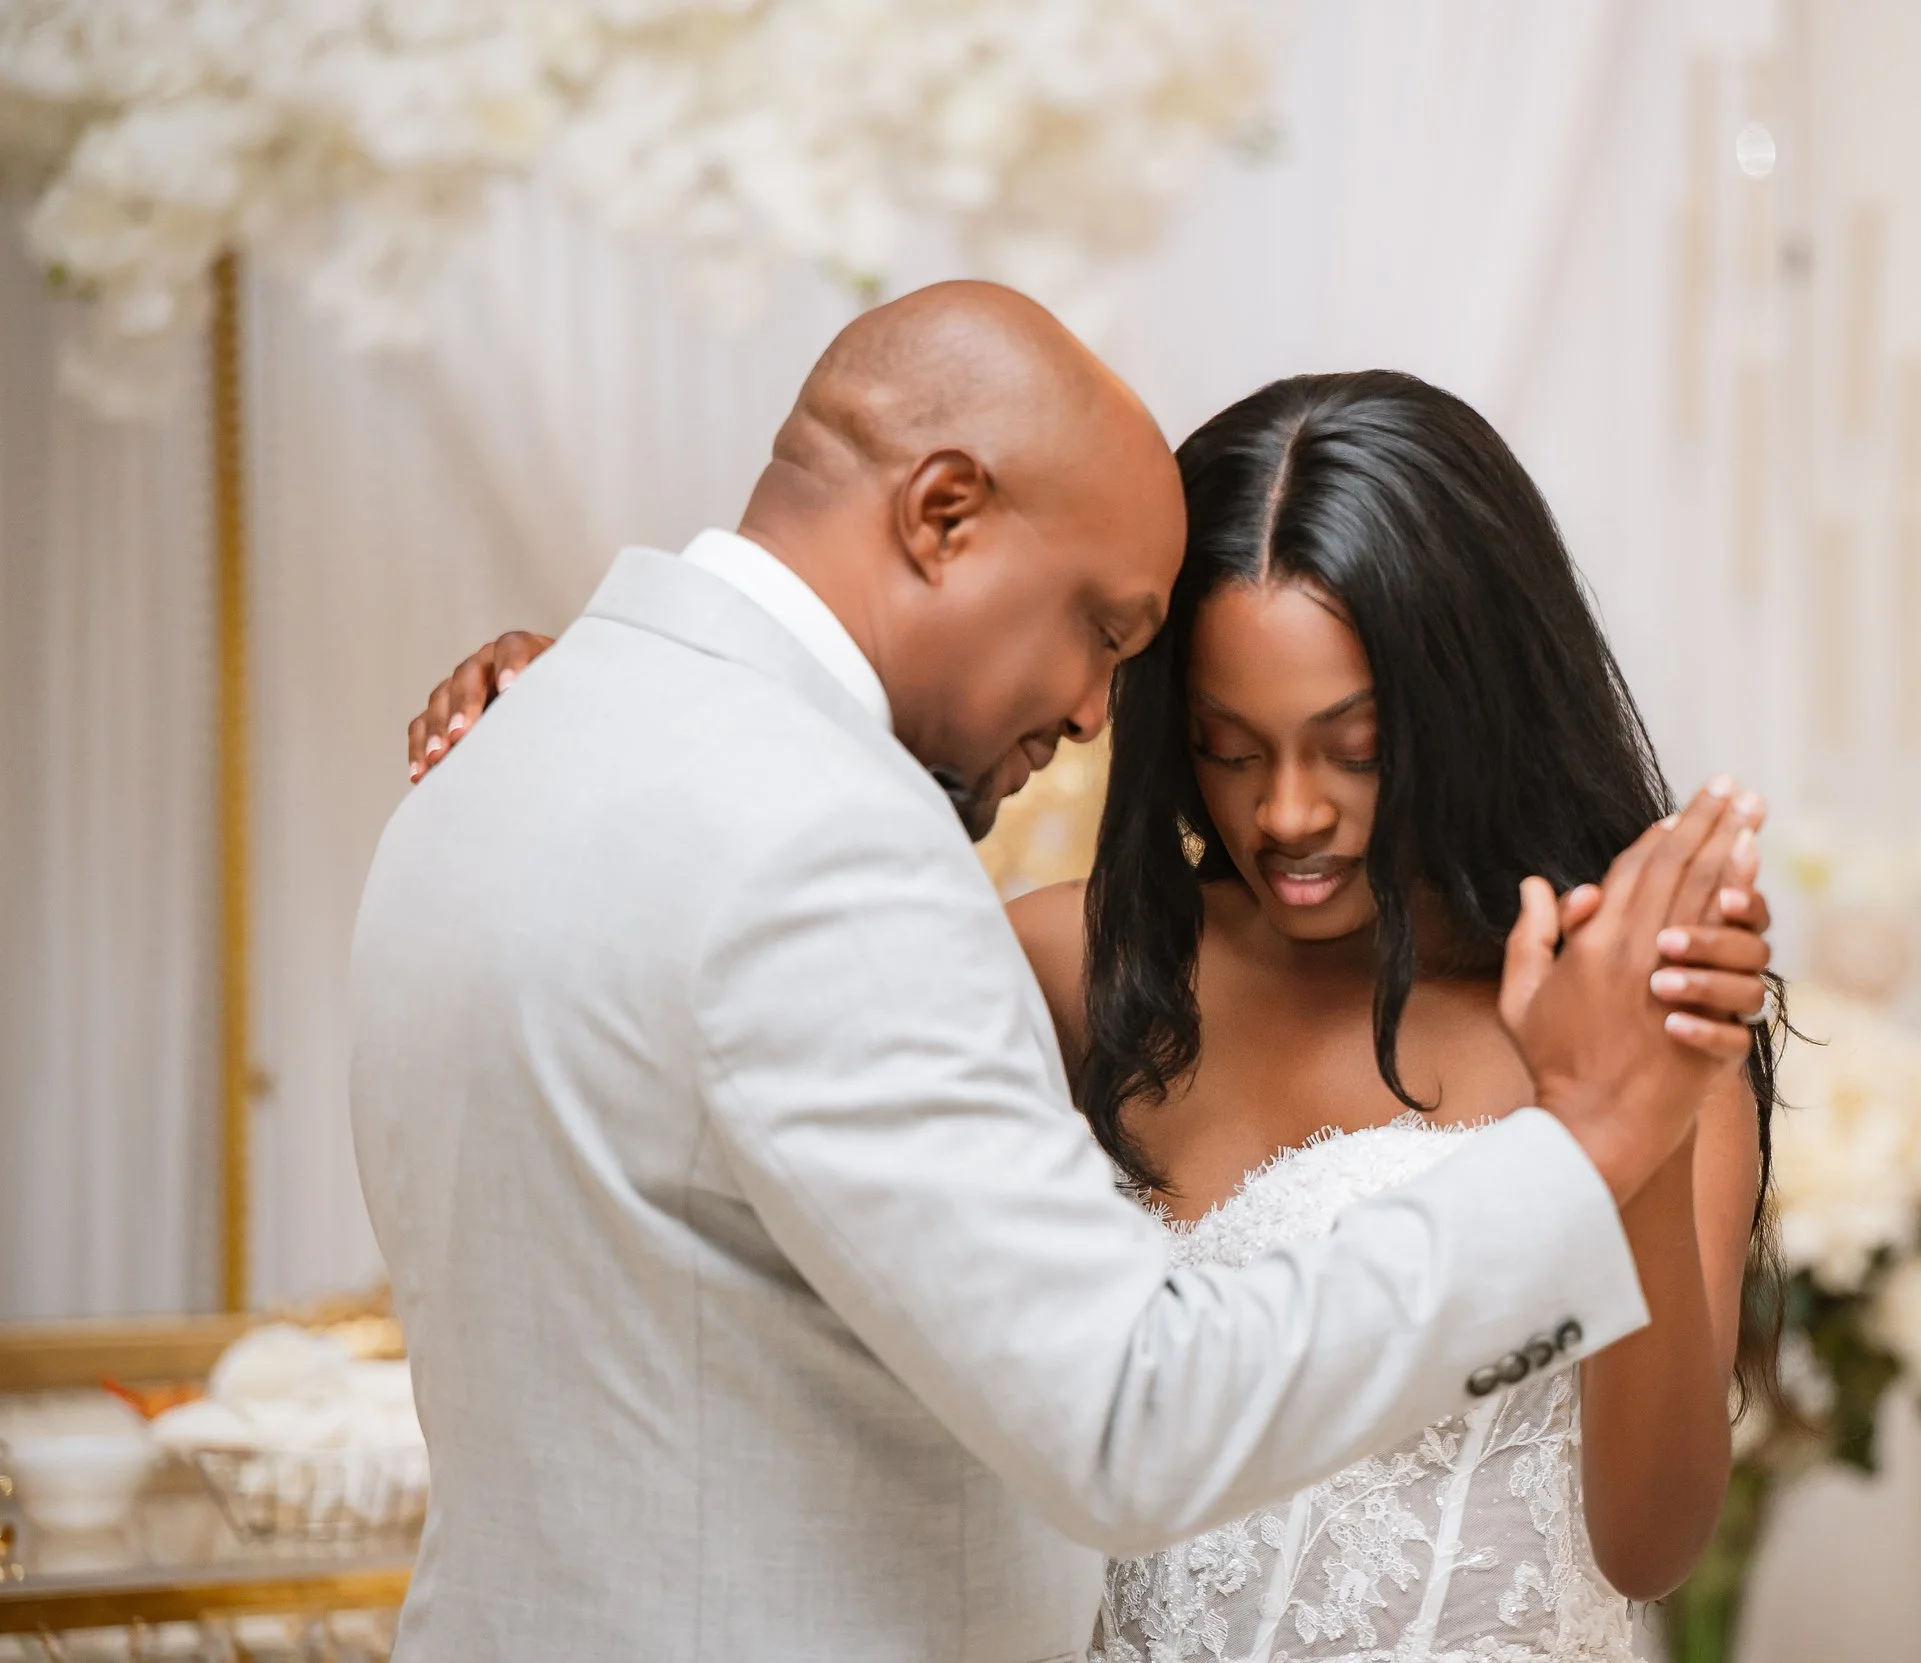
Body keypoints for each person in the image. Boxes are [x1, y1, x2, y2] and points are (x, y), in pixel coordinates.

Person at [361, 283, 1776, 1663]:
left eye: (1353, 744)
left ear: (1462, 709)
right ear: (944, 514)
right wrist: (1585, 1147)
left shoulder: (515, 789)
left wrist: (1630, 1121)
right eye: (1217, 733)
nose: (1284, 807)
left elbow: (1646, 1540)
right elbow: (1122, 1411)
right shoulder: (1000, 939)